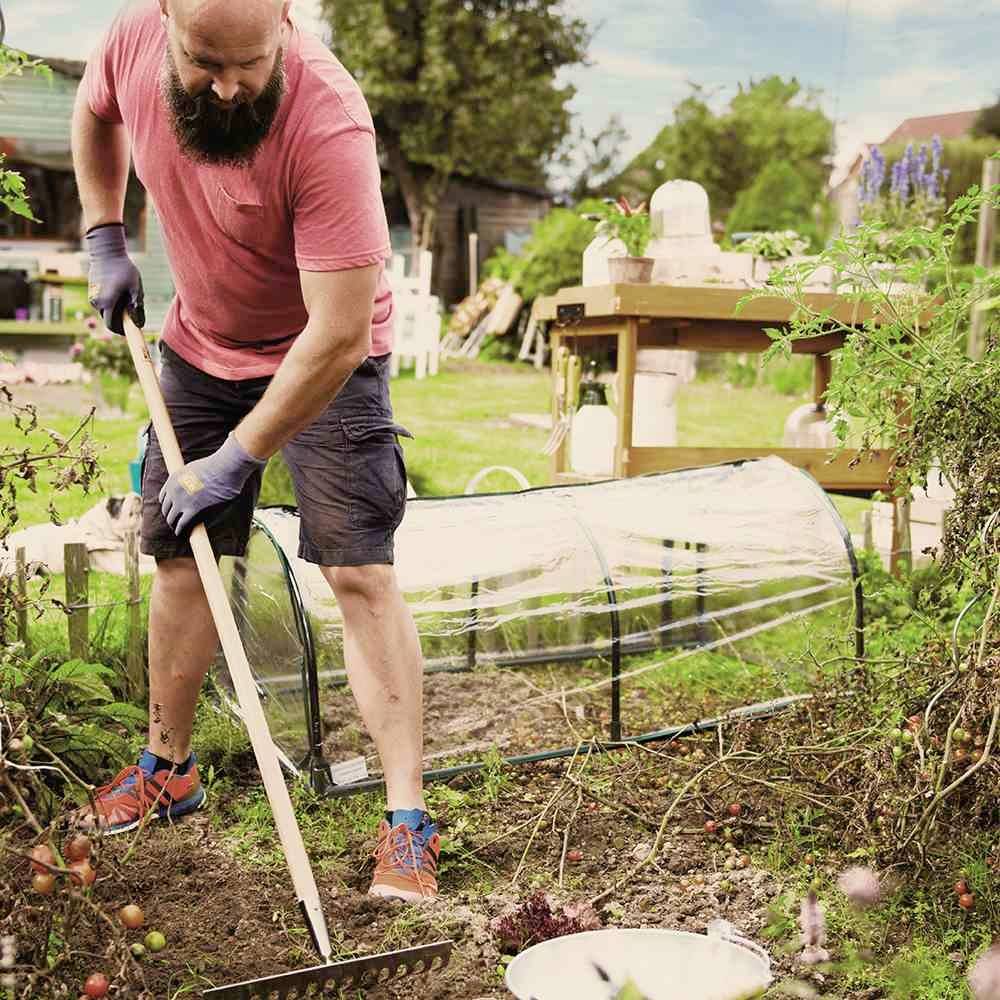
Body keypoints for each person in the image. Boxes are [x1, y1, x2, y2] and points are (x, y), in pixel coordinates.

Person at [71, 0, 438, 902]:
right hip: (200, 348)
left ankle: (407, 821)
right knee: (182, 562)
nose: (229, 87)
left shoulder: (329, 120)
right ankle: (169, 768)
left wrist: (236, 459)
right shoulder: (129, 41)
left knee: (359, 573)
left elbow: (342, 331)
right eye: (204, 62)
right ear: (165, 20)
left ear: (286, 20)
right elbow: (94, 112)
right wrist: (103, 233)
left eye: (250, 63)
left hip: (325, 356)